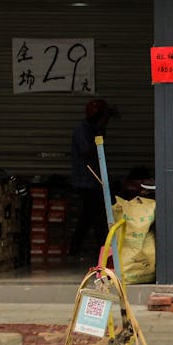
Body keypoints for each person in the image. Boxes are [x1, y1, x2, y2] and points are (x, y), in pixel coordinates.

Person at [67, 98, 113, 257]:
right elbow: (88, 150)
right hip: (86, 181)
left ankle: (78, 249)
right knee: (95, 216)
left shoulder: (91, 130)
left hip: (93, 181)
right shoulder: (83, 131)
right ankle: (103, 249)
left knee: (89, 216)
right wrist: (99, 132)